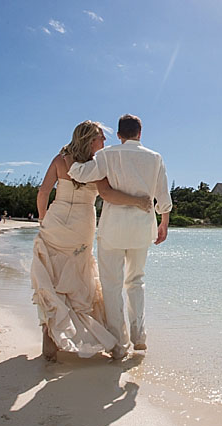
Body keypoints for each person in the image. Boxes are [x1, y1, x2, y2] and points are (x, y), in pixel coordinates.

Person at [30, 120, 152, 363]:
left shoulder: (60, 160)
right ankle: (76, 332)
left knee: (51, 277)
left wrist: (43, 218)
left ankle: (50, 330)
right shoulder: (96, 165)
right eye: (101, 138)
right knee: (77, 278)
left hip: (56, 219)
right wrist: (139, 201)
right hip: (82, 223)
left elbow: (43, 192)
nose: (105, 142)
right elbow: (107, 194)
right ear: (89, 140)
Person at [68, 113, 172, 360]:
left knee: (112, 285)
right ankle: (139, 336)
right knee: (136, 281)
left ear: (119, 134)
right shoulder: (155, 158)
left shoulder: (107, 155)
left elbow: (80, 174)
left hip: (113, 228)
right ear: (140, 133)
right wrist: (164, 223)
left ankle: (118, 344)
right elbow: (163, 195)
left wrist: (70, 158)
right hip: (141, 229)